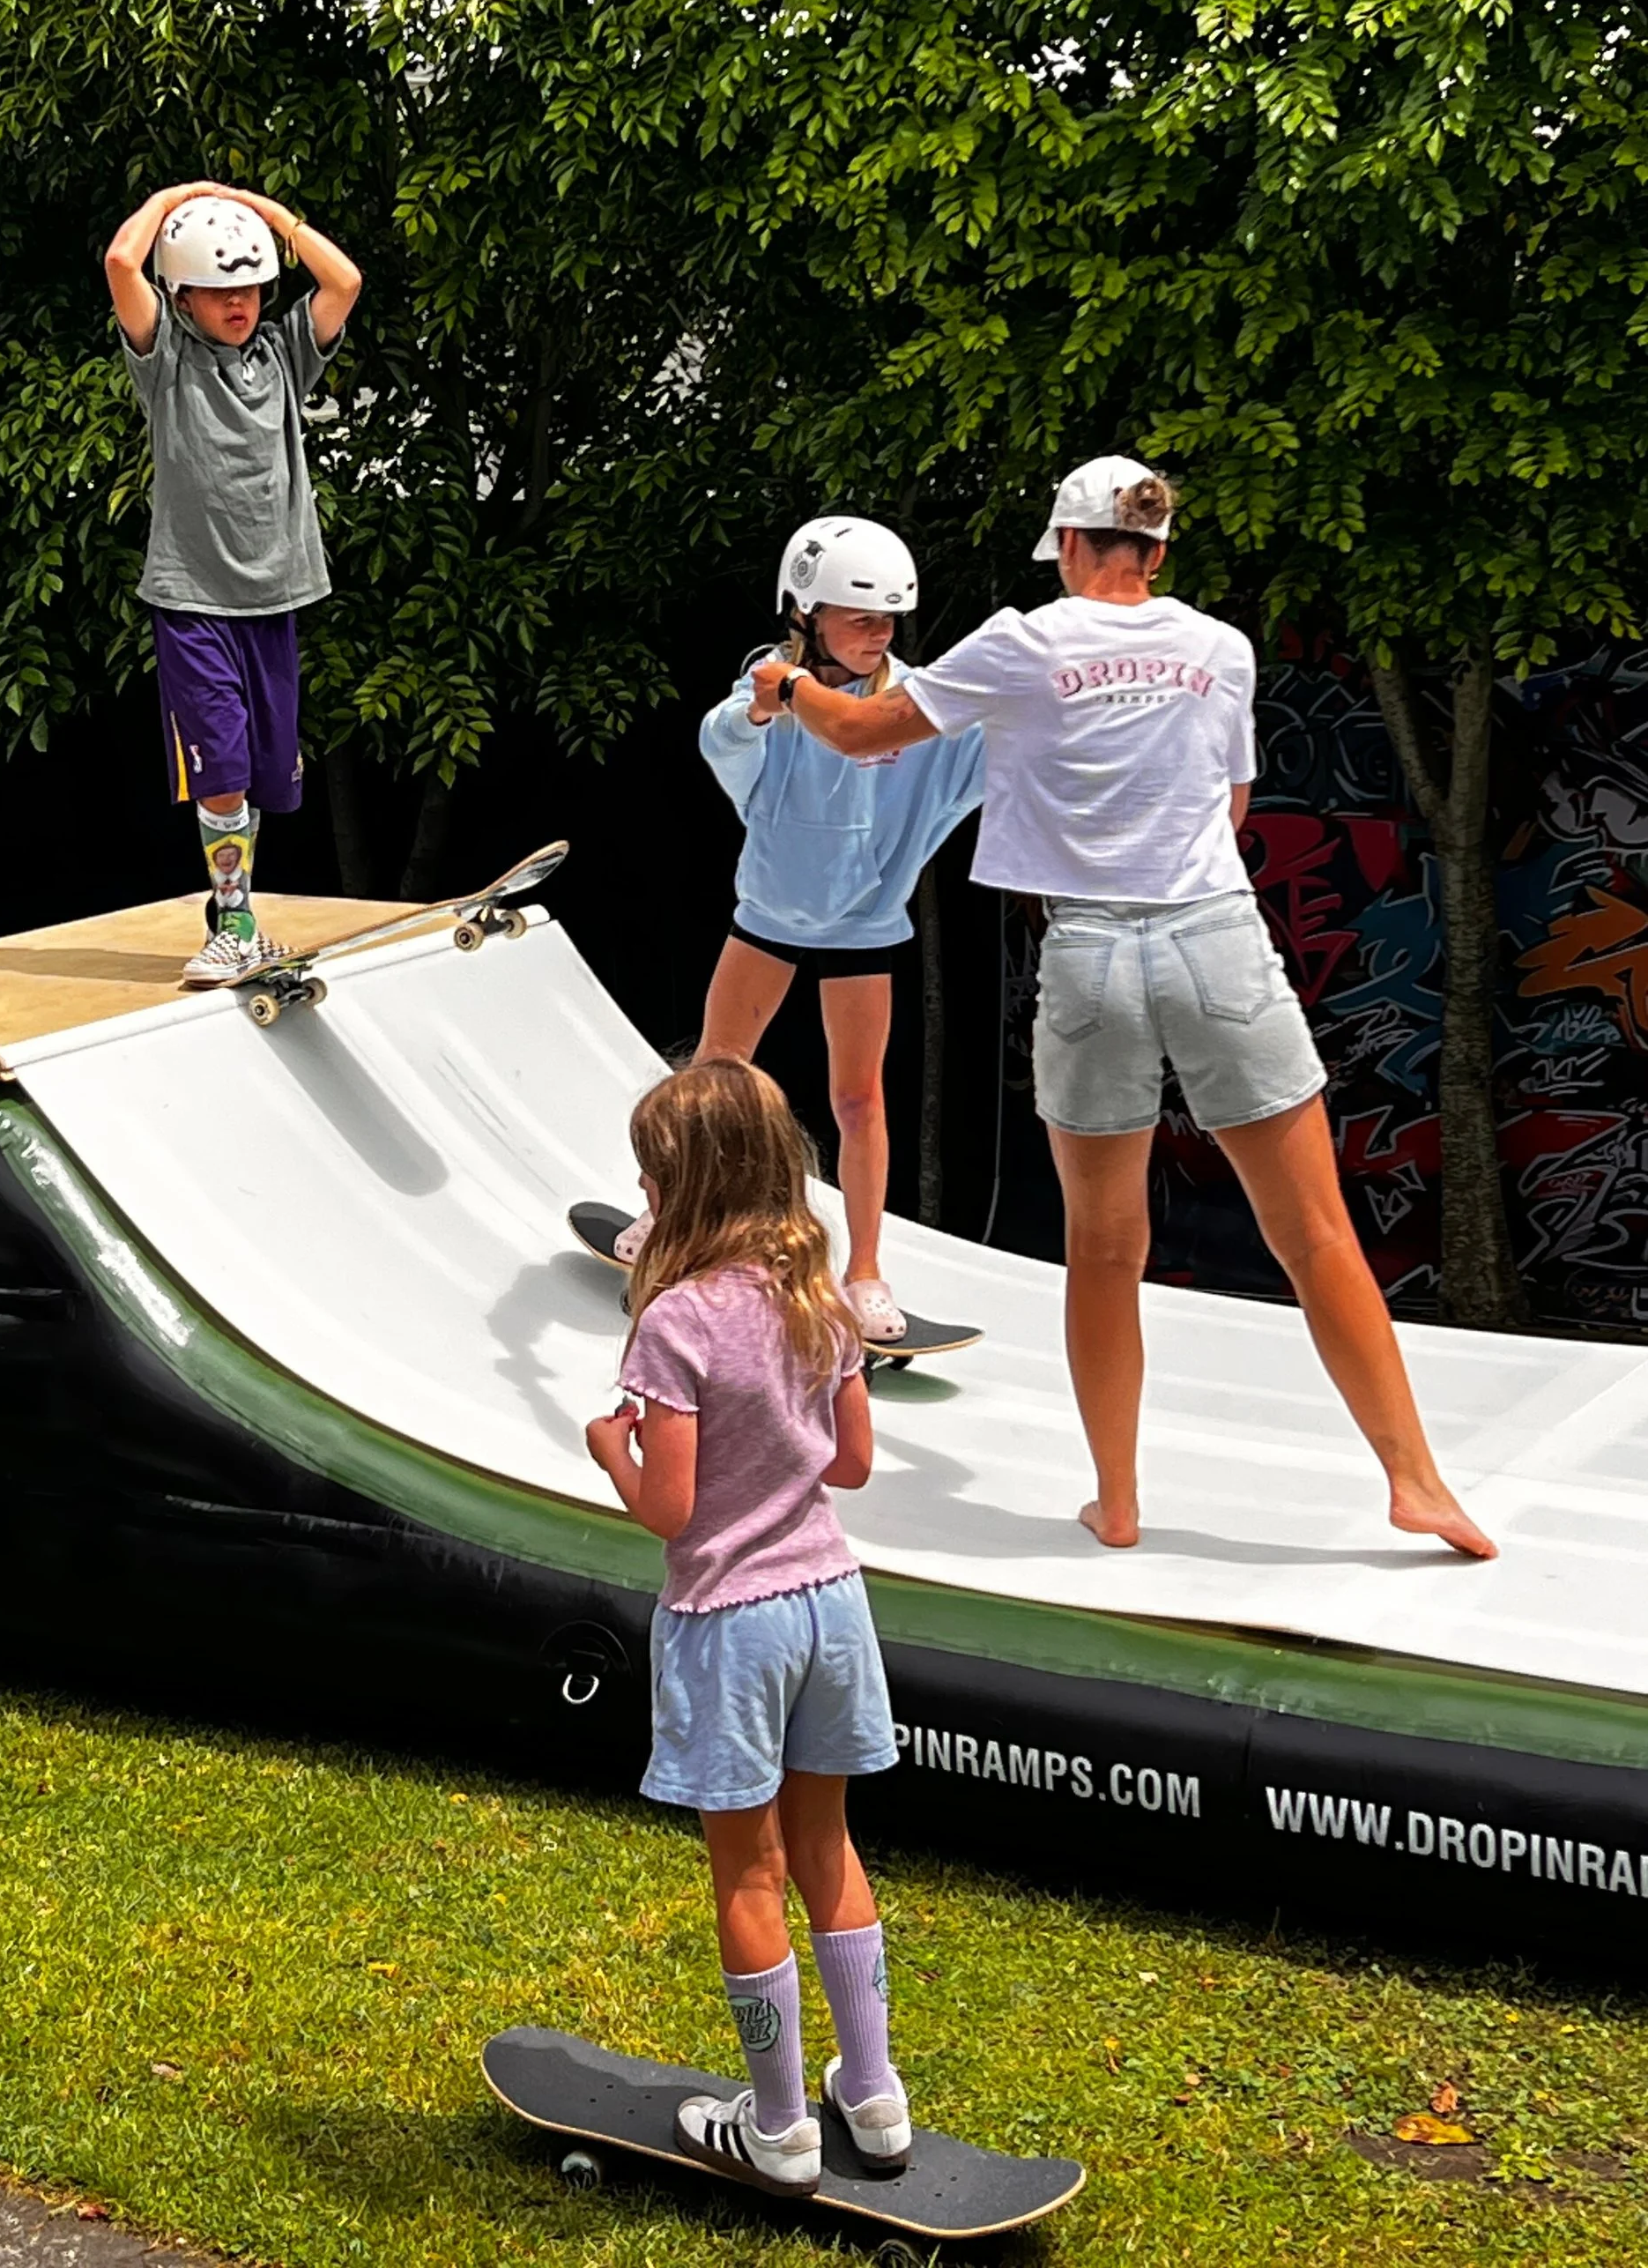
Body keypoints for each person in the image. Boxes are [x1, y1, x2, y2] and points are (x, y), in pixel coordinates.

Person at [752, 455, 1496, 1562]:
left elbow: (864, 734)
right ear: (1154, 551)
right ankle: (1418, 1484)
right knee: (1315, 1233)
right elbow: (1230, 803)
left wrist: (787, 690)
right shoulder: (1220, 648)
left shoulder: (1021, 641)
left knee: (1104, 1247)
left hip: (1090, 952)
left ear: (1068, 547)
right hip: (1215, 936)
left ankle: (1117, 1503)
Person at [583, 1059, 909, 2196]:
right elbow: (854, 1466)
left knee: (747, 1876)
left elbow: (670, 1509)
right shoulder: (821, 1300)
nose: (639, 1185)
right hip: (831, 1602)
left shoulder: (675, 1322)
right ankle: (871, 2100)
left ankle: (778, 2129)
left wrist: (608, 1450)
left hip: (730, 1620)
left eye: (652, 1172)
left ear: (687, 1185)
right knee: (830, 1853)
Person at [682, 517, 985, 1345]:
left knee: (859, 1099)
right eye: (860, 617)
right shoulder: (771, 695)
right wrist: (757, 708)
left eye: (889, 619)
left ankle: (865, 1275)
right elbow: (724, 737)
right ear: (807, 612)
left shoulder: (915, 703)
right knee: (716, 1077)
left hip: (867, 923)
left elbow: (991, 752)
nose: (877, 634)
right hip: (770, 914)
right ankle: (669, 1218)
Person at [104, 182, 362, 987]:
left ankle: (235, 913)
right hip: (191, 598)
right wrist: (175, 197)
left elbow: (344, 282)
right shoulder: (167, 357)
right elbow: (120, 261)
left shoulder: (284, 352)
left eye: (250, 286)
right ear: (183, 297)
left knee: (257, 769)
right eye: (219, 291)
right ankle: (238, 923)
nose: (240, 303)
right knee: (218, 761)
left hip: (274, 595)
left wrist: (273, 214)